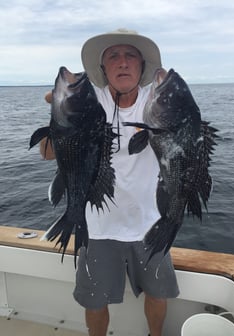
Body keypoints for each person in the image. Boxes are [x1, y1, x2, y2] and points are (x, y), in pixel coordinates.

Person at [40, 28, 179, 336]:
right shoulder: (88, 99)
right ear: (102, 69)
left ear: (142, 66)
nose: (123, 63)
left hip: (151, 223)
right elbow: (47, 154)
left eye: (130, 55)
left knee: (158, 294)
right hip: (97, 224)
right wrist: (56, 114)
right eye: (113, 56)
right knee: (94, 301)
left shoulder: (158, 100)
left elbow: (182, 133)